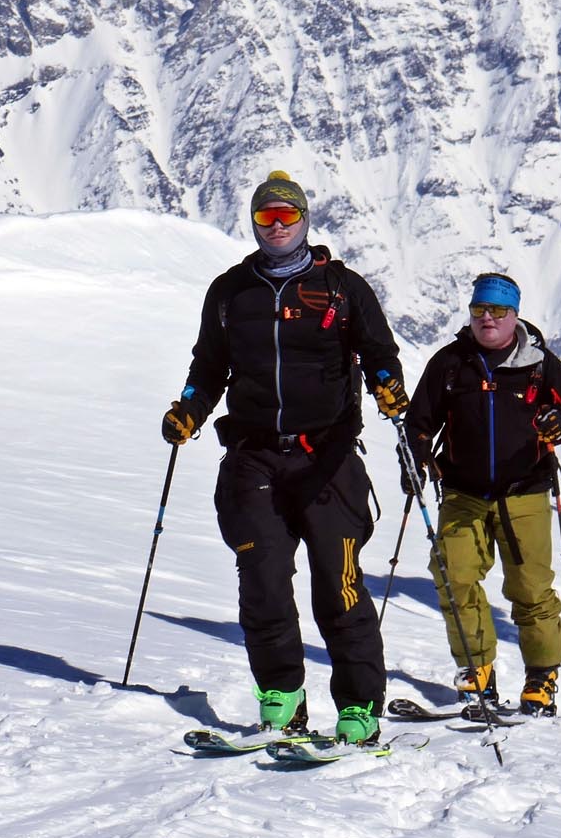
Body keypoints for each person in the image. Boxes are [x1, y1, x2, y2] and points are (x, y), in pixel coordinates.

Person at [162, 170, 408, 745]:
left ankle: (358, 708)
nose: (276, 226)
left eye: (286, 216)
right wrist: (190, 412)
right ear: (252, 222)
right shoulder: (230, 292)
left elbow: (379, 354)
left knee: (339, 585)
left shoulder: (343, 288)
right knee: (263, 582)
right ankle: (281, 698)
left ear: (304, 222)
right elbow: (209, 368)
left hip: (327, 459)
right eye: (265, 216)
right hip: (253, 457)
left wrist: (389, 387)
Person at [403, 273, 561, 716]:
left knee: (530, 588)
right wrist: (415, 457)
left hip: (524, 492)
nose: (488, 318)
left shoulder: (542, 366)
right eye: (480, 309)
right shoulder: (450, 363)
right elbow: (418, 420)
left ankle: (541, 676)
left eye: (498, 310)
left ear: (515, 315)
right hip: (463, 492)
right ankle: (477, 670)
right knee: (454, 576)